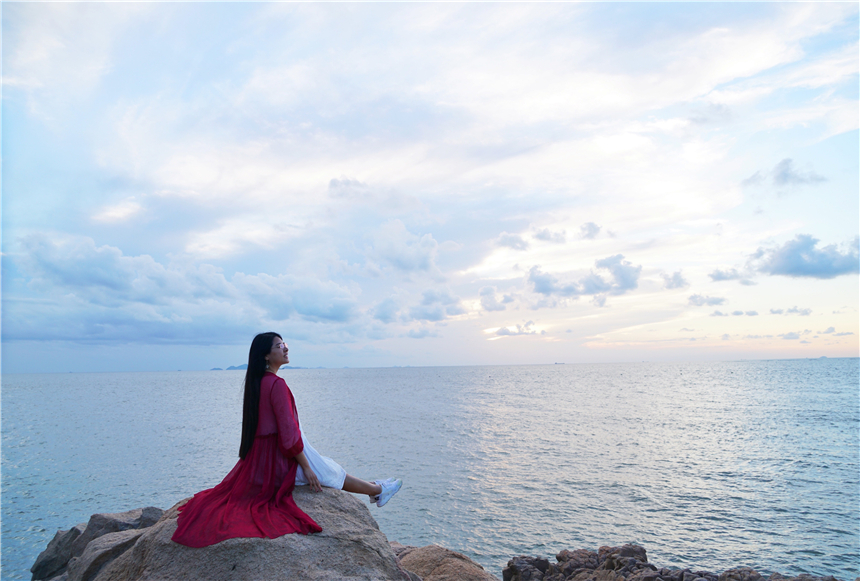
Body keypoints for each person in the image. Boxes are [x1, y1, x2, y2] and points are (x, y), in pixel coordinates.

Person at [172, 332, 402, 548]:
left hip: (260, 459)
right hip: (279, 459)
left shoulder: (257, 383)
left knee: (329, 467)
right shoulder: (276, 384)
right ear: (266, 355)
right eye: (280, 346)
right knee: (329, 472)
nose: (286, 348)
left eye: (285, 344)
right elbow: (288, 434)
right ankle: (378, 490)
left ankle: (377, 489)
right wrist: (305, 466)